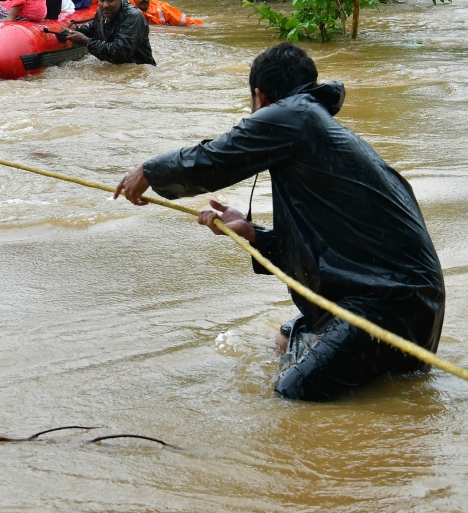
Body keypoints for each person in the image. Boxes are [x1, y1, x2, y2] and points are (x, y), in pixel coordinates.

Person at [113, 43, 445, 402]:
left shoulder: (294, 115)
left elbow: (216, 157)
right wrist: (253, 234)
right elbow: (325, 250)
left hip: (389, 305)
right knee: (284, 340)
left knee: (294, 391)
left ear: (260, 96)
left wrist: (149, 171)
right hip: (408, 303)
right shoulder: (311, 127)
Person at [61, 0, 154, 65]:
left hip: (138, 74)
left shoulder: (133, 16)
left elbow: (119, 54)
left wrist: (86, 41)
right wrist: (73, 31)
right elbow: (93, 29)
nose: (105, 5)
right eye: (101, 0)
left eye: (110, 0)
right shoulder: (101, 11)